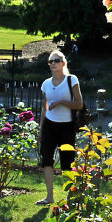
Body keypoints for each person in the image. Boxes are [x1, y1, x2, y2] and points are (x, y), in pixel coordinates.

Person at [36, 50, 84, 205]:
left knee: (67, 164)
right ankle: (49, 197)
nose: (53, 63)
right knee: (47, 161)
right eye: (50, 61)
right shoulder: (46, 84)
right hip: (49, 125)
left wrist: (61, 102)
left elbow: (79, 104)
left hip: (67, 126)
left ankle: (71, 198)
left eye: (56, 60)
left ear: (63, 63)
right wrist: (41, 130)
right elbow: (44, 108)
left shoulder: (72, 80)